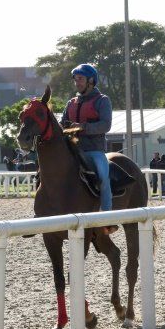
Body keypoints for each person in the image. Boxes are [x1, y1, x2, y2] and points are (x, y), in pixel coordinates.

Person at [60, 63, 116, 234]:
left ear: (91, 81)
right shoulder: (71, 103)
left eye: (81, 79)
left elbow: (105, 125)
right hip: (72, 150)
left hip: (94, 151)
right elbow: (62, 123)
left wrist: (82, 127)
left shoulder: (102, 100)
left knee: (103, 177)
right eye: (76, 79)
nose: (77, 82)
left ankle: (108, 219)